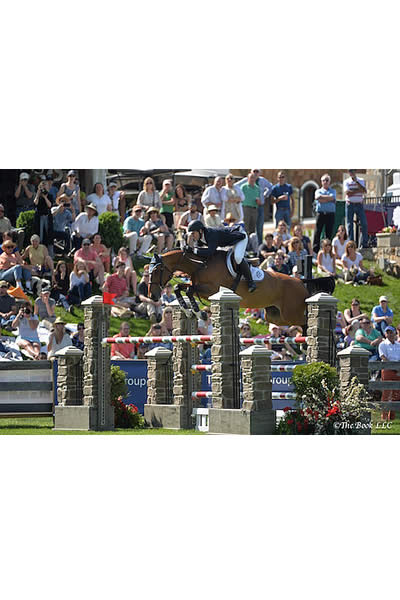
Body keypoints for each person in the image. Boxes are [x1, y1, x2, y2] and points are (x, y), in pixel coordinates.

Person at [186, 220, 257, 292]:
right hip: (228, 242)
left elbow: (210, 252)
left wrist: (192, 250)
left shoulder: (210, 234)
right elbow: (197, 250)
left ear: (200, 231)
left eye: (193, 233)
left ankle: (251, 282)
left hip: (239, 236)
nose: (192, 236)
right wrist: (189, 246)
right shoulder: (200, 237)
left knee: (238, 258)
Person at [378, 326, 400, 421]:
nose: (390, 334)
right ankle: (384, 416)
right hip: (387, 369)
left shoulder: (398, 345)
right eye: (388, 332)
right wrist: (394, 368)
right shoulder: (382, 344)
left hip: (398, 370)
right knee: (386, 393)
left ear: (395, 333)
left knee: (396, 394)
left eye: (391, 332)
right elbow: (383, 357)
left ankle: (392, 417)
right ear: (385, 334)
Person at [313, 174, 336, 254]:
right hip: (321, 213)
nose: (325, 182)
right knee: (317, 232)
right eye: (324, 180)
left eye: (327, 180)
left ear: (329, 182)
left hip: (330, 214)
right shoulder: (318, 191)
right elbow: (318, 198)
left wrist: (322, 198)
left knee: (329, 232)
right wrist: (328, 199)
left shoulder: (333, 191)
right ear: (321, 182)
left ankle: (328, 250)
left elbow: (332, 198)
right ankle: (315, 251)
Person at [344, 169, 368, 248]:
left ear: (355, 172)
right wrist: (358, 190)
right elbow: (348, 193)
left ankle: (364, 243)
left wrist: (356, 183)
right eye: (350, 171)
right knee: (349, 225)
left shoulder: (361, 180)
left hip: (359, 205)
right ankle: (352, 244)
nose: (352, 172)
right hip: (350, 204)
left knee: (364, 223)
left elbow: (364, 190)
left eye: (353, 171)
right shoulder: (346, 182)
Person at [33, 179, 54, 252]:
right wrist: (38, 194)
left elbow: (50, 205)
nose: (44, 188)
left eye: (45, 186)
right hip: (39, 216)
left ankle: (50, 252)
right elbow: (35, 203)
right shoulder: (38, 195)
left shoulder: (50, 195)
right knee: (40, 234)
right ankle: (39, 251)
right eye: (42, 186)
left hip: (47, 216)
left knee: (49, 234)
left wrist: (45, 197)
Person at [240, 172, 260, 237]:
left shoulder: (257, 188)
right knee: (245, 227)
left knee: (253, 228)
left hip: (254, 209)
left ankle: (252, 243)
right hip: (246, 209)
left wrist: (258, 201)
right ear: (248, 178)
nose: (252, 179)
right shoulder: (243, 187)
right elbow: (240, 197)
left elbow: (259, 199)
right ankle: (245, 244)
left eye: (253, 178)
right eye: (251, 177)